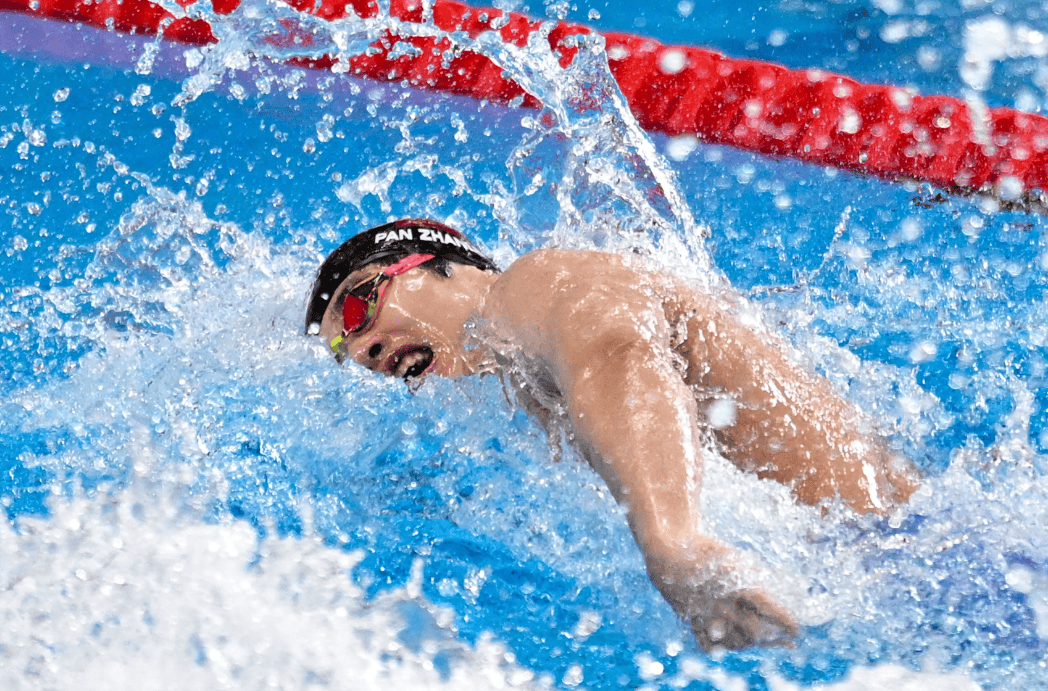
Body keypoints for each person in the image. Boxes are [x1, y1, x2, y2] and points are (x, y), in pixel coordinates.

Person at [304, 217, 918, 652]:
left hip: (912, 553)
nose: (363, 348)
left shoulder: (534, 282)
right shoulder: (523, 380)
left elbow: (618, 354)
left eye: (358, 310)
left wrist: (674, 541)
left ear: (436, 264)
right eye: (343, 350)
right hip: (890, 561)